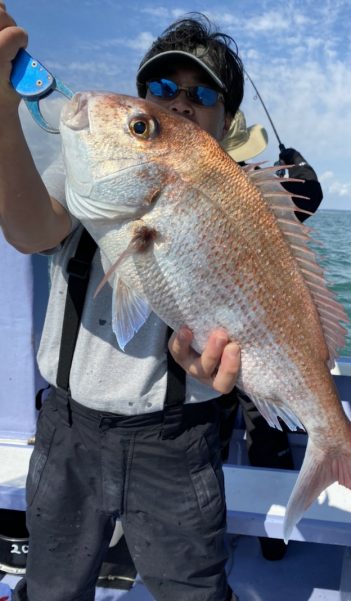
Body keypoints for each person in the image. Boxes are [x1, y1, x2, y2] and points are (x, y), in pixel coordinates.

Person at [1, 10, 243, 601]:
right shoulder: (89, 172)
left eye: (201, 94)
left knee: (193, 591)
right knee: (52, 588)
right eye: (161, 91)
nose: (179, 103)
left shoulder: (240, 209)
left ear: (226, 121)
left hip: (177, 441)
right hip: (68, 429)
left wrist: (227, 373)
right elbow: (31, 232)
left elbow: (257, 315)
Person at [219, 110, 324, 560]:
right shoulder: (270, 187)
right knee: (265, 431)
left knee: (220, 426)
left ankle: (230, 527)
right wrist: (299, 170)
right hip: (258, 337)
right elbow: (309, 195)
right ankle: (272, 537)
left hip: (225, 335)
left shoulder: (228, 186)